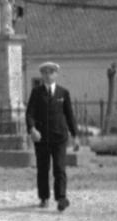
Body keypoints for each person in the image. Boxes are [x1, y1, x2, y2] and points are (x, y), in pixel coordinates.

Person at [26, 61, 79, 209]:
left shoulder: (63, 93)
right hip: (42, 138)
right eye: (45, 73)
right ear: (41, 75)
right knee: (43, 169)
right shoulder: (36, 93)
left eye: (51, 72)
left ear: (56, 74)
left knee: (59, 168)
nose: (48, 75)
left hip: (59, 137)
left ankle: (61, 198)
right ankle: (44, 197)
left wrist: (75, 136)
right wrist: (32, 129)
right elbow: (30, 113)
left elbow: (70, 116)